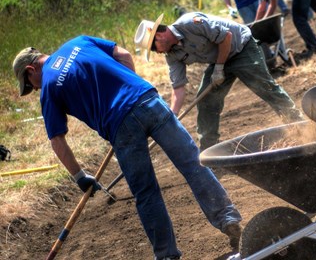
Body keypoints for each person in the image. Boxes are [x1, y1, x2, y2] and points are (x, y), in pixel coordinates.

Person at [12, 34, 243, 259]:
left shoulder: (50, 87)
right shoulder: (79, 41)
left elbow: (57, 140)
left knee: (146, 192)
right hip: (148, 100)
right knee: (193, 163)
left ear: (31, 70)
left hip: (121, 126)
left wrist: (80, 176)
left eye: (31, 86)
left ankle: (166, 255)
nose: (36, 89)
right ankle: (227, 218)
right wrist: (131, 88)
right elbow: (123, 54)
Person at [135, 12, 303, 151]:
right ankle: (210, 149)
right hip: (219, 61)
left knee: (265, 87)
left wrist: (218, 68)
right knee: (206, 102)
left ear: (158, 36)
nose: (156, 53)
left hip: (241, 48)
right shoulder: (172, 55)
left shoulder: (190, 23)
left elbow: (226, 37)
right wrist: (172, 115)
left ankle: (298, 124)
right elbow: (178, 87)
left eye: (153, 48)